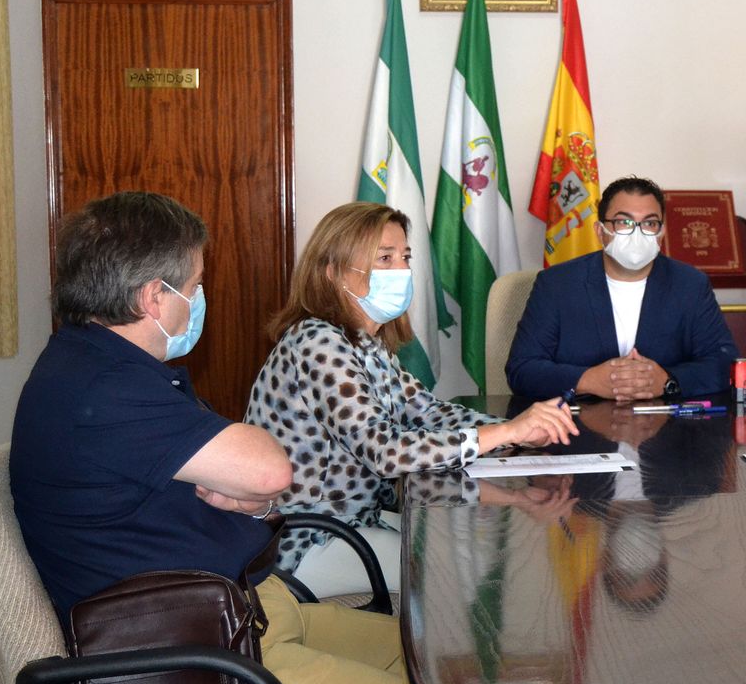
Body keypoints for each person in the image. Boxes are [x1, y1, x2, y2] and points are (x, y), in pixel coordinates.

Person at [8, 192, 458, 684]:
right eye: (193, 286)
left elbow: (250, 469)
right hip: (190, 667)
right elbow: (269, 466)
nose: (199, 299)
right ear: (153, 298)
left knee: (434, 658)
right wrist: (245, 487)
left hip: (240, 614)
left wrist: (245, 487)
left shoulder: (95, 364)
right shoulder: (105, 391)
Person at [246, 202, 576, 596]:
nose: (401, 270)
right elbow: (383, 450)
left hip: (357, 524)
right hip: (310, 540)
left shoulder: (367, 344)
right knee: (454, 574)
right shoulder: (318, 341)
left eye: (404, 257)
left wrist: (518, 434)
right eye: (383, 258)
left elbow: (428, 413)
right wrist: (505, 431)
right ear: (332, 272)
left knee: (475, 546)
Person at [506, 175, 737, 401]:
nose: (637, 232)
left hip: (667, 428)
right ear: (600, 232)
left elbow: (725, 362)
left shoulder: (690, 285)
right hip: (576, 429)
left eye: (649, 223)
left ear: (661, 233)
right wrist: (588, 379)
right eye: (623, 222)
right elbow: (522, 368)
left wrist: (667, 380)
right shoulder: (557, 284)